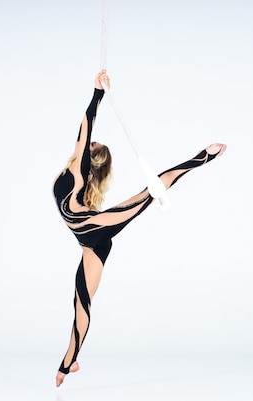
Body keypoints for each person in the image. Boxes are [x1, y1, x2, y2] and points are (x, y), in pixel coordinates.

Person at [52, 70, 226, 387]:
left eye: (92, 145)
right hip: (91, 238)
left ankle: (202, 157)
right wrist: (97, 92)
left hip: (91, 228)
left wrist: (97, 94)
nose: (88, 141)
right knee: (81, 303)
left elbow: (86, 123)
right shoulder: (78, 170)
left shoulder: (78, 165)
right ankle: (67, 365)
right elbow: (86, 129)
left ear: (90, 158)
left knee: (148, 195)